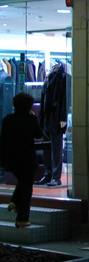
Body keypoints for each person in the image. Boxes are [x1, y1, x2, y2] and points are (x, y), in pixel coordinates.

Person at [0, 92, 44, 227]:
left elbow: (3, 140)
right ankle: (22, 219)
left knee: (23, 183)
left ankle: (14, 201)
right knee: (26, 188)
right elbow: (38, 135)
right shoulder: (30, 119)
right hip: (27, 158)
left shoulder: (7, 120)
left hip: (12, 159)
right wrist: (34, 118)